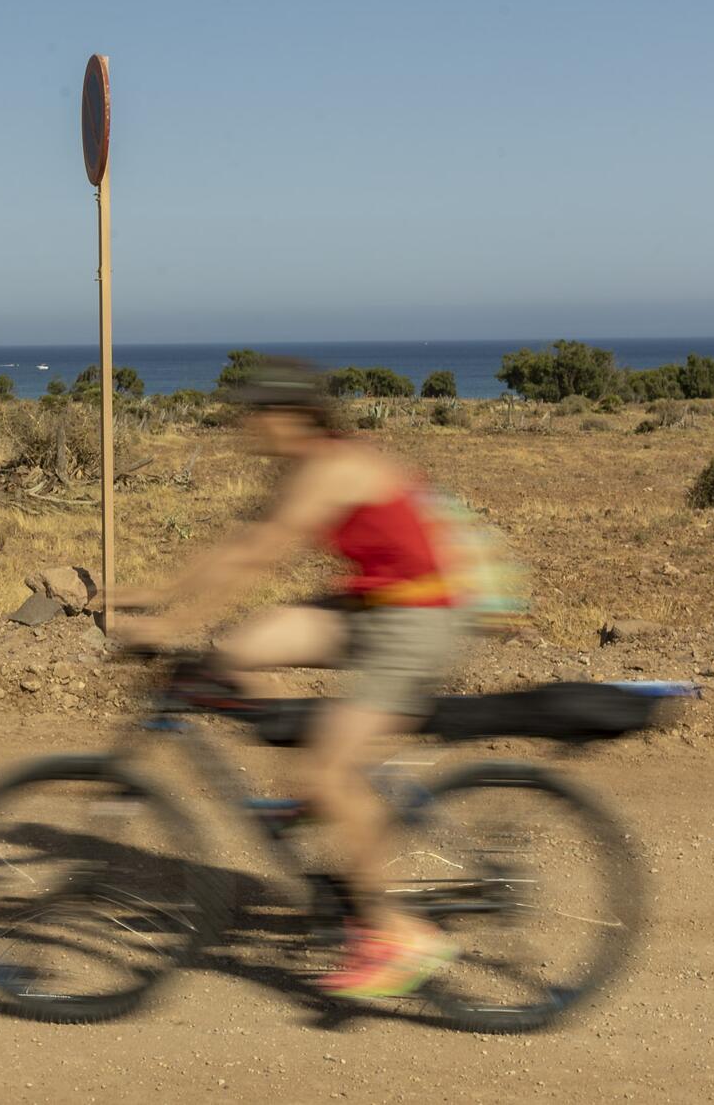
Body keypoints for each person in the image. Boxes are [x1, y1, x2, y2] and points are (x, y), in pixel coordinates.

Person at [107, 359, 464, 1000]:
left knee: (329, 771)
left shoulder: (333, 467)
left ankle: (398, 934)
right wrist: (160, 593)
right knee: (236, 651)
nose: (246, 424)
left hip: (417, 618)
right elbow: (237, 543)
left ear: (292, 417)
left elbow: (260, 555)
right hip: (372, 607)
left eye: (257, 413)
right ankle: (312, 791)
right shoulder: (302, 467)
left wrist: (171, 623)